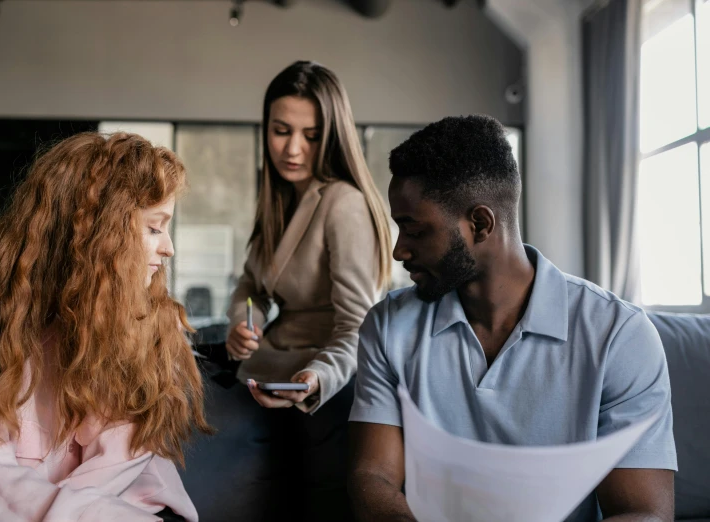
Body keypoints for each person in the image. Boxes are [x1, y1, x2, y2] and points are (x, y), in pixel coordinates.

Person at [348, 115, 677, 522]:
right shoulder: (387, 326)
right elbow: (373, 476)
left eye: (414, 230)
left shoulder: (619, 335)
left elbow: (644, 512)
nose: (399, 251)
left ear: (480, 224)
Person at [0, 132, 211, 522]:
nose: (169, 248)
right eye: (152, 228)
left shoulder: (147, 332)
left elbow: (113, 468)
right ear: (99, 235)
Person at [224, 60, 391, 521]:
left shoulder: (344, 204)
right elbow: (252, 286)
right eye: (280, 130)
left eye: (311, 135)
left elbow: (361, 325)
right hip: (269, 376)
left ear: (332, 136)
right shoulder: (279, 201)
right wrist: (246, 321)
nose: (292, 148)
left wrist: (318, 378)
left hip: (325, 392)